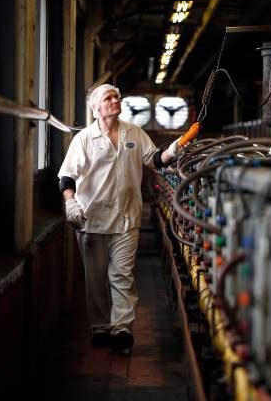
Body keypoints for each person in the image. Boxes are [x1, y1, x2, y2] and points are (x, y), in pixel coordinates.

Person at [58, 84, 182, 353]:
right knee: (95, 278)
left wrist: (173, 149)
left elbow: (154, 161)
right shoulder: (85, 139)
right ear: (96, 107)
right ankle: (101, 327)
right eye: (108, 98)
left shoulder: (134, 133)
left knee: (123, 275)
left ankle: (121, 328)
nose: (115, 100)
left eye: (117, 97)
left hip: (127, 218)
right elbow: (67, 176)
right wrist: (70, 202)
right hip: (91, 219)